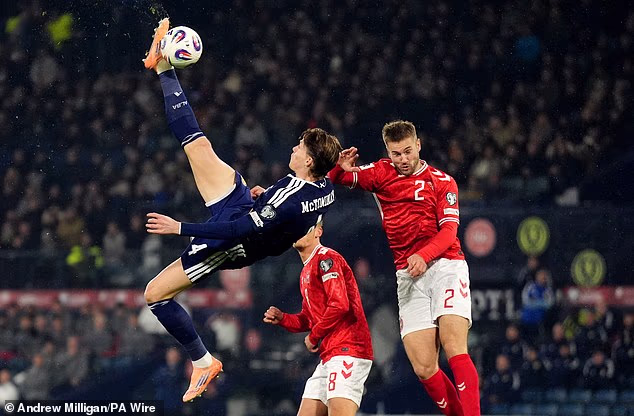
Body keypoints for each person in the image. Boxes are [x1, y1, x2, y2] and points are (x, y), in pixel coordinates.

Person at [141, 19, 342, 402]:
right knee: (197, 145)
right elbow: (303, 200)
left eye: (300, 147)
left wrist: (179, 227)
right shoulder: (322, 186)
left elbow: (238, 232)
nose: (294, 147)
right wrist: (269, 199)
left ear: (308, 161)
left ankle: (203, 361)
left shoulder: (293, 197)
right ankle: (163, 66)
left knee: (155, 295)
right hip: (247, 206)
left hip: (234, 244)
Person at [329, 120, 479, 416]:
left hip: (446, 266)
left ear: (418, 145)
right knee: (423, 367)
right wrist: (338, 168)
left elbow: (449, 232)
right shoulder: (380, 173)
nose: (403, 159)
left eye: (408, 151)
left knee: (454, 346)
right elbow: (337, 179)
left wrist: (423, 255)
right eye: (396, 153)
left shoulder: (442, 181)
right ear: (388, 152)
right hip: (408, 275)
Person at [263, 221, 373, 416]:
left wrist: (314, 337)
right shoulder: (306, 271)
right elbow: (309, 319)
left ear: (318, 231)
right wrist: (283, 318)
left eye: (305, 226)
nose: (298, 231)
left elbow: (339, 305)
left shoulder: (327, 258)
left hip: (349, 349)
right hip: (329, 355)